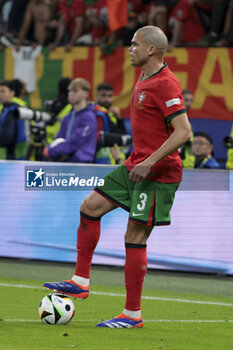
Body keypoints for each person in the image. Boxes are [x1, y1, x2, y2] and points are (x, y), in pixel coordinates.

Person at [43, 25, 191, 328]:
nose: (129, 48)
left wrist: (149, 162)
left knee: (134, 237)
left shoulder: (166, 84)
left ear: (151, 49)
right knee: (89, 207)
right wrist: (140, 160)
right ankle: (81, 281)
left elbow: (184, 132)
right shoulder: (145, 75)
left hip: (157, 173)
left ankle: (132, 315)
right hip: (133, 166)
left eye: (134, 44)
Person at [43, 77, 97, 163]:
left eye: (75, 91)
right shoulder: (67, 117)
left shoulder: (88, 117)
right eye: (69, 91)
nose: (71, 94)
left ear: (86, 93)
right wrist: (49, 148)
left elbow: (75, 141)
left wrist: (51, 151)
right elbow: (58, 139)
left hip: (83, 166)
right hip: (65, 164)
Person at [179, 89, 195, 168]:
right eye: (186, 100)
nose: (189, 103)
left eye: (191, 100)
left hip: (189, 165)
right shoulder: (176, 120)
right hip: (179, 164)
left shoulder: (187, 121)